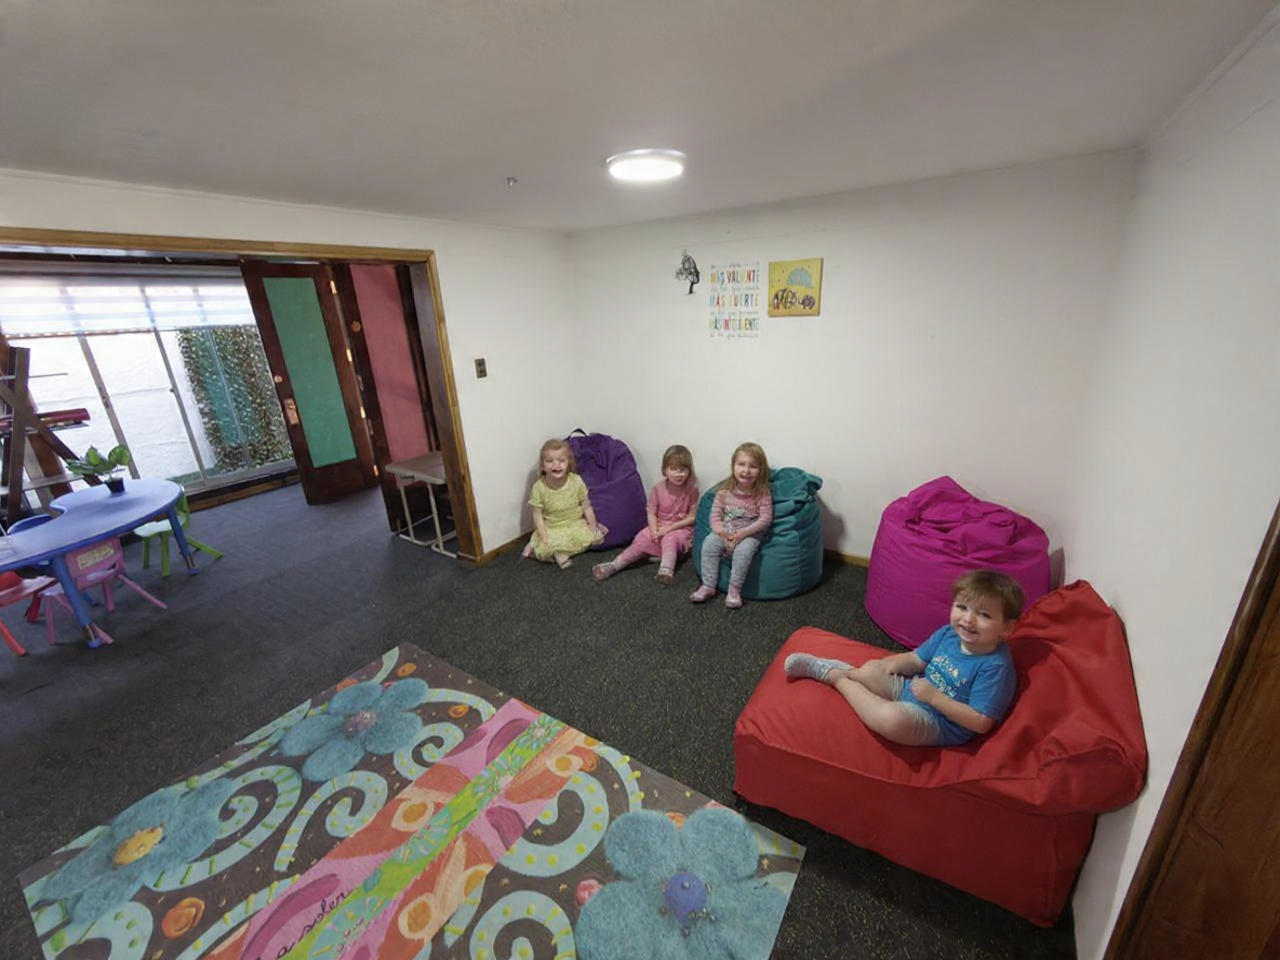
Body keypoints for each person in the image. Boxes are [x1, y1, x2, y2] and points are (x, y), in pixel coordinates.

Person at [784, 570, 1025, 746]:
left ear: (1006, 628)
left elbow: (981, 722)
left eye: (983, 615)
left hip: (940, 722)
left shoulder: (995, 667)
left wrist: (935, 698)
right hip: (915, 690)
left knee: (891, 720)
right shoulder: (949, 634)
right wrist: (894, 663)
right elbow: (918, 659)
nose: (968, 619)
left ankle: (834, 675)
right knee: (872, 669)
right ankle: (851, 672)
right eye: (962, 607)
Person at [592, 444, 699, 585]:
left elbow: (692, 517)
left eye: (683, 469)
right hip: (659, 525)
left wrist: (668, 529)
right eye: (673, 469)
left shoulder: (692, 491)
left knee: (670, 538)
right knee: (643, 539)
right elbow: (651, 511)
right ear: (665, 470)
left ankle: (666, 569)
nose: (678, 474)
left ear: (689, 471)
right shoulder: (658, 488)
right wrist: (654, 530)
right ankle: (615, 565)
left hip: (680, 529)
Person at [691, 442, 773, 609]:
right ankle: (708, 585)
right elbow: (714, 516)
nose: (746, 470)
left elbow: (765, 520)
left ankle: (734, 590)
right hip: (726, 530)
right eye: (741, 464)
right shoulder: (723, 491)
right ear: (733, 466)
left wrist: (742, 534)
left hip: (750, 533)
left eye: (753, 466)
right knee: (708, 545)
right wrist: (720, 531)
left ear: (761, 470)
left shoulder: (762, 493)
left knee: (743, 553)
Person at [522, 438, 606, 569]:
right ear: (543, 465)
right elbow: (537, 515)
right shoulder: (539, 487)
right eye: (550, 461)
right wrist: (544, 538)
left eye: (561, 461)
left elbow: (587, 507)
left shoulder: (576, 481)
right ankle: (549, 550)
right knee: (546, 546)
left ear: (569, 463)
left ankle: (558, 552)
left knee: (593, 538)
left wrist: (593, 527)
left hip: (575, 523)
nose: (556, 465)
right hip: (553, 526)